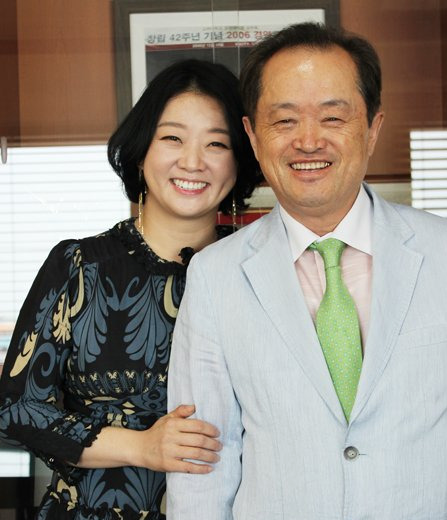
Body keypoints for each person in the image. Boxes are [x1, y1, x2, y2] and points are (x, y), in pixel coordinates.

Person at [167, 23, 447, 519]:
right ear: (252, 135)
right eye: (284, 120)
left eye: (333, 117)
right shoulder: (214, 277)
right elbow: (203, 462)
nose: (309, 141)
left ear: (373, 128)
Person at [0, 59, 261, 519]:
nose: (193, 161)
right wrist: (142, 446)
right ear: (141, 151)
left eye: (216, 143)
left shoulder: (263, 272)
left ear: (239, 161)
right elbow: (17, 409)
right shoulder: (79, 267)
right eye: (173, 138)